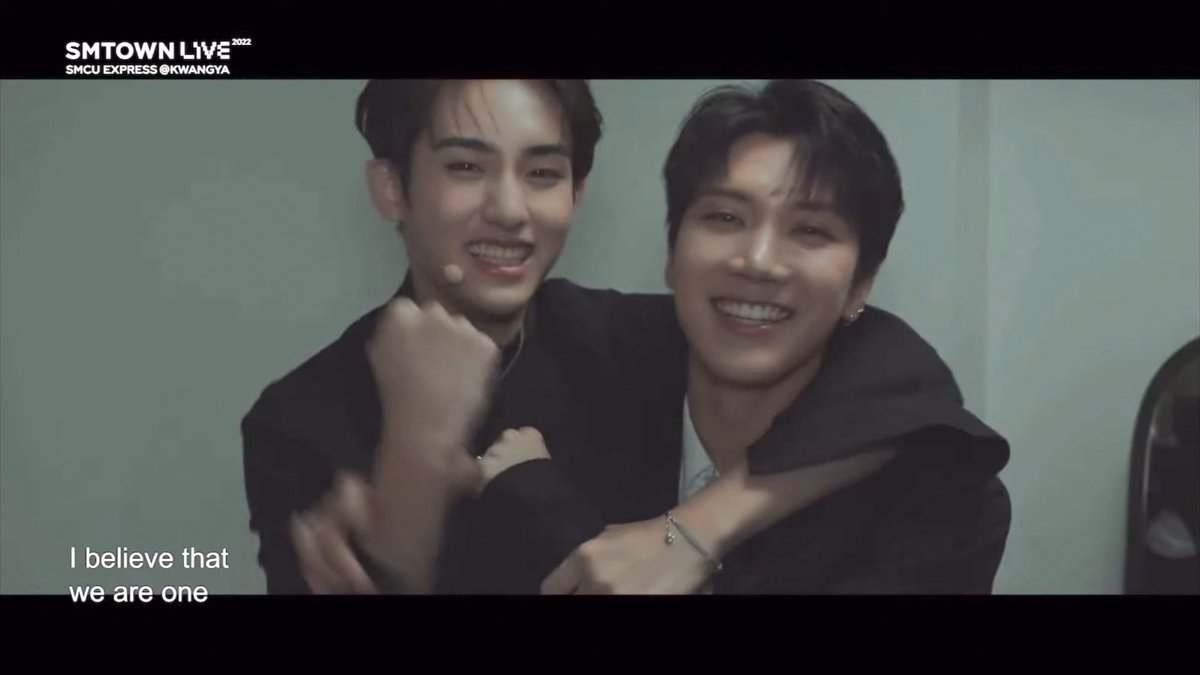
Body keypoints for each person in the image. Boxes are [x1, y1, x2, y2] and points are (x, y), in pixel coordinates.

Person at [243, 79, 1003, 594]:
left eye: (543, 173)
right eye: (466, 167)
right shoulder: (301, 418)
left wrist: (696, 527)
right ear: (392, 188)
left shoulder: (625, 340)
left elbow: (896, 378)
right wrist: (412, 457)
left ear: (577, 193)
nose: (509, 209)